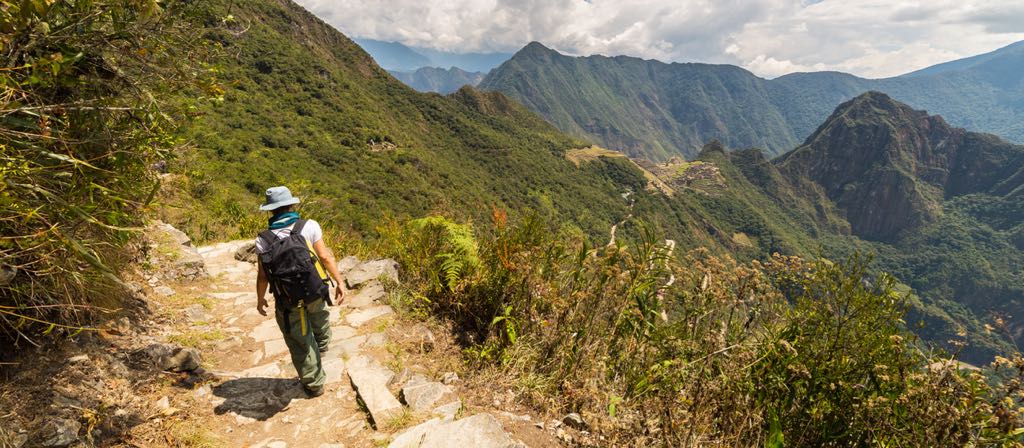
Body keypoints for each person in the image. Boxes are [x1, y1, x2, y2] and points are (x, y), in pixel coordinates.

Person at [255, 186, 346, 397]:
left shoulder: (263, 239)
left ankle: (314, 384)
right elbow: (324, 257)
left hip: (287, 297)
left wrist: (260, 298)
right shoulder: (309, 226)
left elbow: (262, 275)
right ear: (292, 205)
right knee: (319, 315)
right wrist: (339, 282)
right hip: (314, 288)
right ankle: (323, 346)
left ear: (270, 211)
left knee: (299, 338)